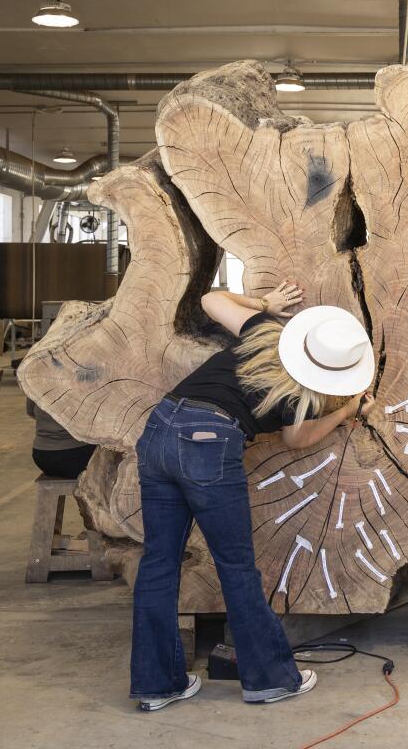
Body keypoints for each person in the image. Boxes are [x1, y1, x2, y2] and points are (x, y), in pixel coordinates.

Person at [130, 280, 375, 712]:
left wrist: (265, 304)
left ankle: (157, 685)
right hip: (208, 441)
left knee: (158, 563)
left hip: (160, 426)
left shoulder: (265, 328)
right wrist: (349, 409)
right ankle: (269, 679)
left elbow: (211, 300)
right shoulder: (300, 394)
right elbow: (298, 440)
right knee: (236, 567)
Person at [26, 398, 96, 479]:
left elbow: (30, 412)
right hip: (76, 455)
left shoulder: (35, 385)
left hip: (42, 457)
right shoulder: (83, 387)